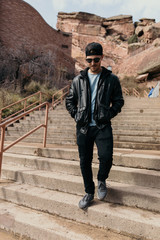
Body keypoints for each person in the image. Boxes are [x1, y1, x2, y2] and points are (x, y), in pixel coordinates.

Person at [66, 42, 124, 209]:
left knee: (106, 157)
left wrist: (108, 114)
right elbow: (70, 100)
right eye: (89, 60)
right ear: (86, 60)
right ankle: (89, 192)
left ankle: (101, 180)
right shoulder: (78, 80)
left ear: (102, 58)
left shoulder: (111, 79)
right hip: (83, 127)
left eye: (96, 60)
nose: (92, 63)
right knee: (85, 161)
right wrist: (76, 115)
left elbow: (119, 101)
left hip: (102, 126)